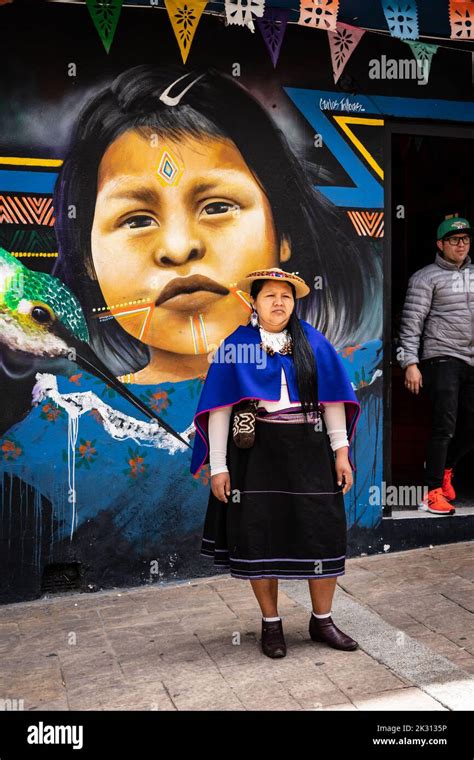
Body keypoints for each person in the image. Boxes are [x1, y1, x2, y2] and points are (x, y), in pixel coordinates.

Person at [190, 268, 361, 658]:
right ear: (254, 302)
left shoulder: (313, 343)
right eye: (269, 296)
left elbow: (333, 400)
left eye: (286, 296)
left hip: (310, 449)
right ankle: (271, 625)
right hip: (257, 454)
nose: (279, 303)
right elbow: (220, 409)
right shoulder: (237, 346)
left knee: (323, 531)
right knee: (258, 535)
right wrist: (219, 465)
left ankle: (323, 621)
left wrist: (341, 451)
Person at [398, 216, 474, 515]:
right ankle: (431, 492)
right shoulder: (425, 278)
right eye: (454, 240)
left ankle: (447, 470)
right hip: (441, 357)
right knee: (445, 425)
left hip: (471, 359)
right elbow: (410, 324)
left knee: (470, 426)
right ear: (440, 244)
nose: (461, 244)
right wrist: (410, 363)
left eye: (465, 240)